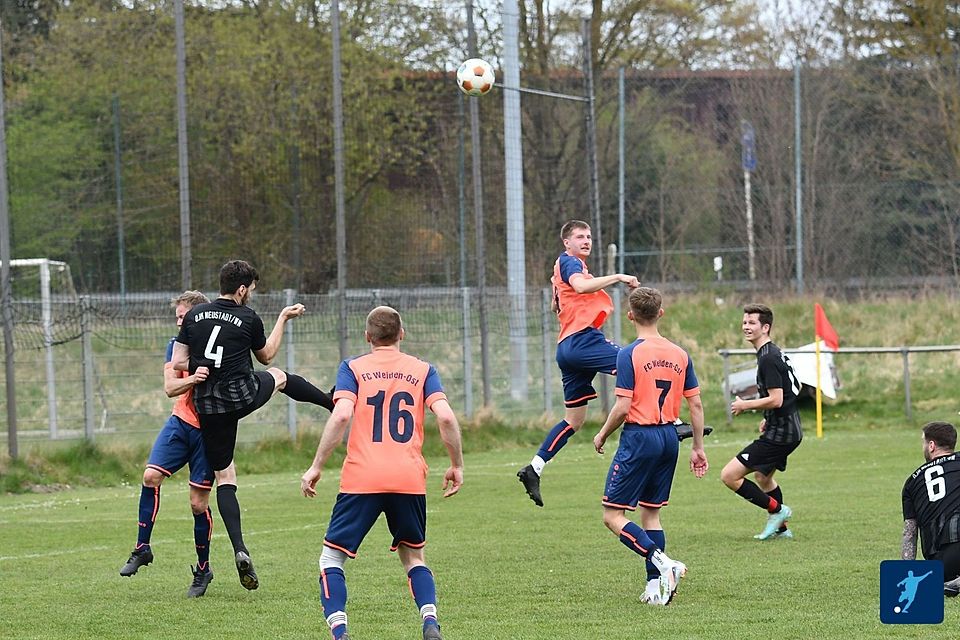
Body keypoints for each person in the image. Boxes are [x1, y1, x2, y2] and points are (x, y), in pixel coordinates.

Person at [300, 305, 464, 640]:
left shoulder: (353, 368)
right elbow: (446, 417)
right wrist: (456, 464)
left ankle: (340, 632)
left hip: (362, 477)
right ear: (401, 334)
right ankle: (430, 621)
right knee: (413, 555)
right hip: (408, 477)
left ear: (367, 337)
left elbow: (342, 414)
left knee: (331, 558)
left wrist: (317, 465)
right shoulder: (423, 370)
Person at [172, 259, 334, 590]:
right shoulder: (247, 317)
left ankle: (240, 548)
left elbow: (178, 362)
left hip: (208, 406)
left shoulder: (192, 317)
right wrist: (283, 319)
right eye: (252, 289)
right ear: (242, 289)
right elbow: (267, 355)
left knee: (224, 476)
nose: (251, 295)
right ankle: (332, 403)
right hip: (240, 396)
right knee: (278, 377)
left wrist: (203, 363)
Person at [592, 287, 708, 606]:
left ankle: (663, 561)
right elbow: (695, 405)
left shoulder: (628, 353)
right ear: (660, 313)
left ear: (630, 316)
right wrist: (697, 447)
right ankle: (655, 587)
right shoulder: (680, 354)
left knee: (612, 515)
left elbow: (622, 406)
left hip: (640, 437)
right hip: (670, 437)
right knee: (651, 515)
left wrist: (602, 434)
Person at [517, 220, 639, 507]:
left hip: (568, 347)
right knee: (637, 365)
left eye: (589, 236)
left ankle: (534, 467)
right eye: (579, 236)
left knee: (574, 420)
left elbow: (559, 301)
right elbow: (581, 288)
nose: (586, 240)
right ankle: (672, 423)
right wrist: (618, 276)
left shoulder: (566, 268)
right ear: (567, 243)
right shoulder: (570, 263)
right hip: (583, 341)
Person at [120, 290, 217, 598]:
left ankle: (203, 570)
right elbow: (169, 388)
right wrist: (193, 379)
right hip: (180, 423)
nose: (177, 321)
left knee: (197, 505)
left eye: (182, 316)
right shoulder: (174, 347)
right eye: (176, 316)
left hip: (210, 432)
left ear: (196, 318)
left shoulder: (218, 347)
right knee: (150, 476)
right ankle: (142, 548)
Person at [720, 303, 802, 540]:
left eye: (752, 323)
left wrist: (745, 405)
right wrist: (768, 419)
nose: (746, 326)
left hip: (783, 432)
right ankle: (782, 529)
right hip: (786, 427)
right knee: (763, 477)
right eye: (745, 322)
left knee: (729, 475)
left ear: (765, 327)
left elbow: (776, 399)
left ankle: (777, 511)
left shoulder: (768, 358)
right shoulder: (770, 353)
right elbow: (785, 394)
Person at [900, 420, 960, 597]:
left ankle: (951, 581)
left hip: (940, 566)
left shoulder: (911, 482)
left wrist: (905, 573)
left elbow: (909, 534)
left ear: (931, 445)